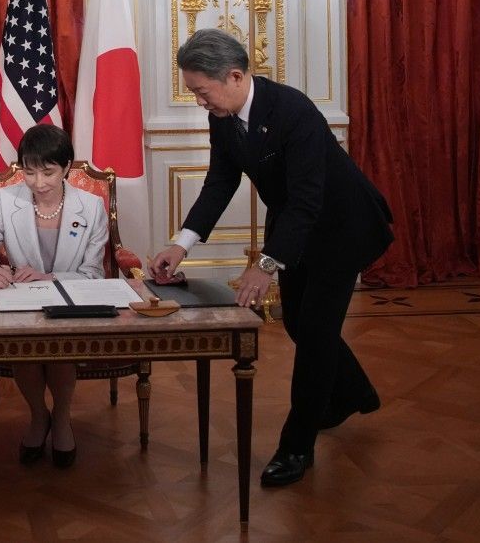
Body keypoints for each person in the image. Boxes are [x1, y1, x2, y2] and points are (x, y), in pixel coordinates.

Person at [149, 29, 393, 488]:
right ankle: (354, 393)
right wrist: (181, 243)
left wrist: (264, 266)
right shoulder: (224, 116)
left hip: (341, 226)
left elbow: (307, 198)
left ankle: (296, 446)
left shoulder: (293, 111)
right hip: (297, 225)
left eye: (202, 91)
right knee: (299, 323)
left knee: (316, 332)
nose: (199, 101)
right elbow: (220, 182)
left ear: (235, 76)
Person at [0, 124, 110, 468]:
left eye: (48, 172)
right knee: (25, 345)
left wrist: (49, 277)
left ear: (66, 168)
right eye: (30, 172)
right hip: (20, 301)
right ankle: (38, 415)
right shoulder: (5, 199)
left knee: (59, 344)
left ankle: (61, 419)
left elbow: (93, 273)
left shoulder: (91, 207)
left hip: (70, 302)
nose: (39, 183)